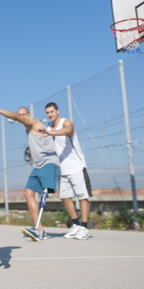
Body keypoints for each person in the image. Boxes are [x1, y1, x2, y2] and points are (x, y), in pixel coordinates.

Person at [0, 103, 59, 241]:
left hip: (49, 163)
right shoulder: (29, 129)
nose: (21, 117)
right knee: (27, 193)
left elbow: (16, 117)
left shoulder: (34, 122)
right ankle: (39, 229)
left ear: (28, 115)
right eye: (20, 115)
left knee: (44, 194)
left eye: (23, 115)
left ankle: (41, 230)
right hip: (38, 165)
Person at [42, 102, 91, 240]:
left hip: (76, 167)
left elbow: (68, 131)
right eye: (47, 112)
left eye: (51, 111)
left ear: (57, 111)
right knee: (64, 196)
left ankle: (85, 228)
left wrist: (51, 132)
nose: (50, 114)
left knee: (82, 197)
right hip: (61, 169)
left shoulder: (66, 123)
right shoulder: (48, 126)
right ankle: (76, 225)